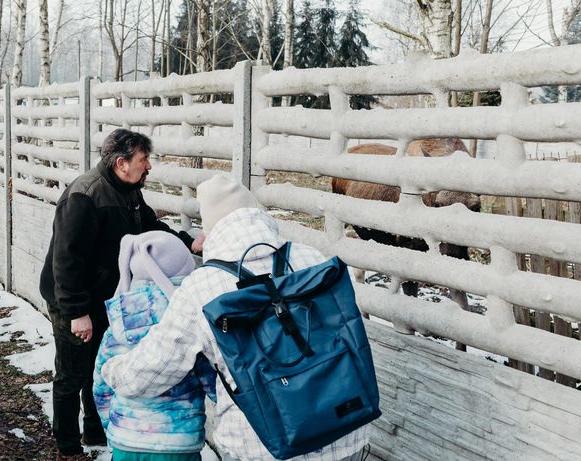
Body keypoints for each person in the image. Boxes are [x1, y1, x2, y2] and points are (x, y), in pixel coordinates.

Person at [101, 174, 371, 461]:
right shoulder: (313, 259)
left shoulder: (201, 287)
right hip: (346, 427)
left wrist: (112, 368)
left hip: (262, 445)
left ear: (211, 227)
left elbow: (150, 374)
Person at [39, 128, 202, 461]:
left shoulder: (128, 190)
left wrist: (187, 242)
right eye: (144, 160)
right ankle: (67, 448)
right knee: (72, 374)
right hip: (72, 299)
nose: (149, 167)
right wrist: (76, 312)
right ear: (121, 162)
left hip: (103, 296)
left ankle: (96, 432)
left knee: (100, 365)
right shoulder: (85, 196)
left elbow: (150, 228)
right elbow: (66, 260)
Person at [93, 230, 216, 461]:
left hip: (125, 443)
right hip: (179, 444)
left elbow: (101, 386)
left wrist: (116, 427)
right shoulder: (187, 323)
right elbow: (211, 380)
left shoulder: (117, 327)